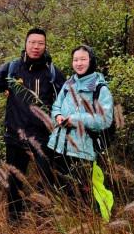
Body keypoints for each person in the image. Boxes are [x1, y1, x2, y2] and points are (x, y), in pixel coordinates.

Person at [0, 28, 65, 222]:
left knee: (49, 180)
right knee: (14, 182)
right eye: (32, 42)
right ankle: (15, 221)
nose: (36, 47)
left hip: (43, 136)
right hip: (15, 135)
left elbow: (65, 98)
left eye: (40, 43)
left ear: (45, 46)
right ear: (25, 44)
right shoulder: (12, 68)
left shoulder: (52, 72)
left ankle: (45, 220)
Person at [47, 45, 114, 209]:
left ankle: (90, 224)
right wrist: (58, 116)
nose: (79, 63)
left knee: (84, 195)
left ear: (91, 61)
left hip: (83, 151)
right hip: (59, 148)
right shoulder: (68, 84)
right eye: (76, 60)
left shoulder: (100, 88)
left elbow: (104, 120)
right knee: (64, 192)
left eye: (83, 59)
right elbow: (56, 107)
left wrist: (75, 119)